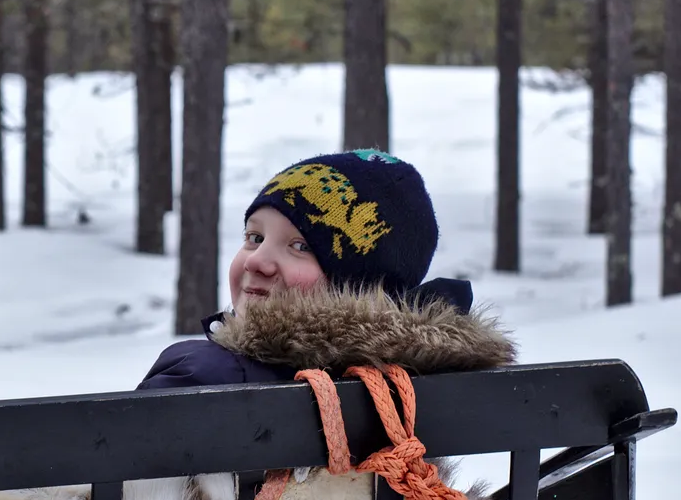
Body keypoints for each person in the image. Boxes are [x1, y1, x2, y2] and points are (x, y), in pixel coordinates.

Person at [137, 148, 512, 390]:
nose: (256, 260)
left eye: (300, 247)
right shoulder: (419, 390)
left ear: (361, 282)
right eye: (254, 237)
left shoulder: (205, 375)